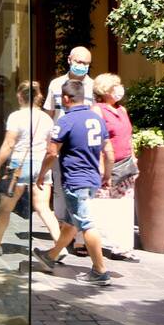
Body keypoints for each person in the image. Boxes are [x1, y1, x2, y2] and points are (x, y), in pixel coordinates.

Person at [34, 79, 115, 286]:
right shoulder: (96, 119)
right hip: (92, 178)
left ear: (65, 99)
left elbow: (52, 152)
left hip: (76, 180)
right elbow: (108, 151)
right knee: (71, 222)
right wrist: (107, 174)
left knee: (86, 224)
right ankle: (51, 256)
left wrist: (42, 173)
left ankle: (100, 270)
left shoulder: (65, 121)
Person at [0, 80, 60, 253]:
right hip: (41, 165)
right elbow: (50, 146)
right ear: (38, 96)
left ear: (19, 96)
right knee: (43, 207)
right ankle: (59, 245)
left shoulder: (16, 117)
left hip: (20, 164)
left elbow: (9, 144)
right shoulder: (46, 118)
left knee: (5, 207)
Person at [44, 46, 95, 254]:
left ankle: (81, 238)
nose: (82, 66)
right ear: (69, 60)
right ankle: (60, 233)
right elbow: (49, 113)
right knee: (59, 189)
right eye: (79, 62)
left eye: (86, 63)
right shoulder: (56, 84)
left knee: (81, 192)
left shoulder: (93, 86)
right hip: (60, 143)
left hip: (83, 147)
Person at [93, 73, 140, 262]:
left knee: (125, 206)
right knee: (103, 207)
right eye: (115, 86)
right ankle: (92, 243)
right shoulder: (98, 110)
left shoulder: (122, 110)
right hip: (108, 166)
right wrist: (101, 168)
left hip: (126, 164)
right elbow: (98, 141)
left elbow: (129, 135)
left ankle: (122, 248)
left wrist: (134, 158)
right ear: (105, 90)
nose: (119, 89)